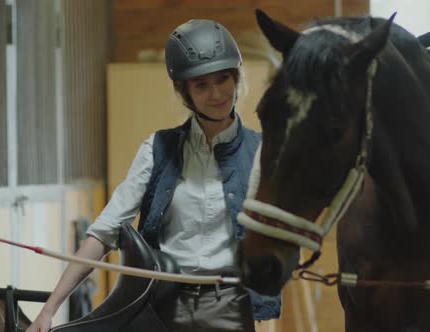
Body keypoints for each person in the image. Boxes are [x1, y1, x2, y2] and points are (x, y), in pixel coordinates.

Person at [27, 19, 281, 332]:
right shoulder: (157, 149)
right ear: (184, 91)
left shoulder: (263, 153)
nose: (217, 93)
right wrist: (49, 309)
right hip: (161, 306)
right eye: (201, 84)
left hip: (229, 307)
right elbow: (104, 232)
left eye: (223, 79)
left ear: (236, 77)